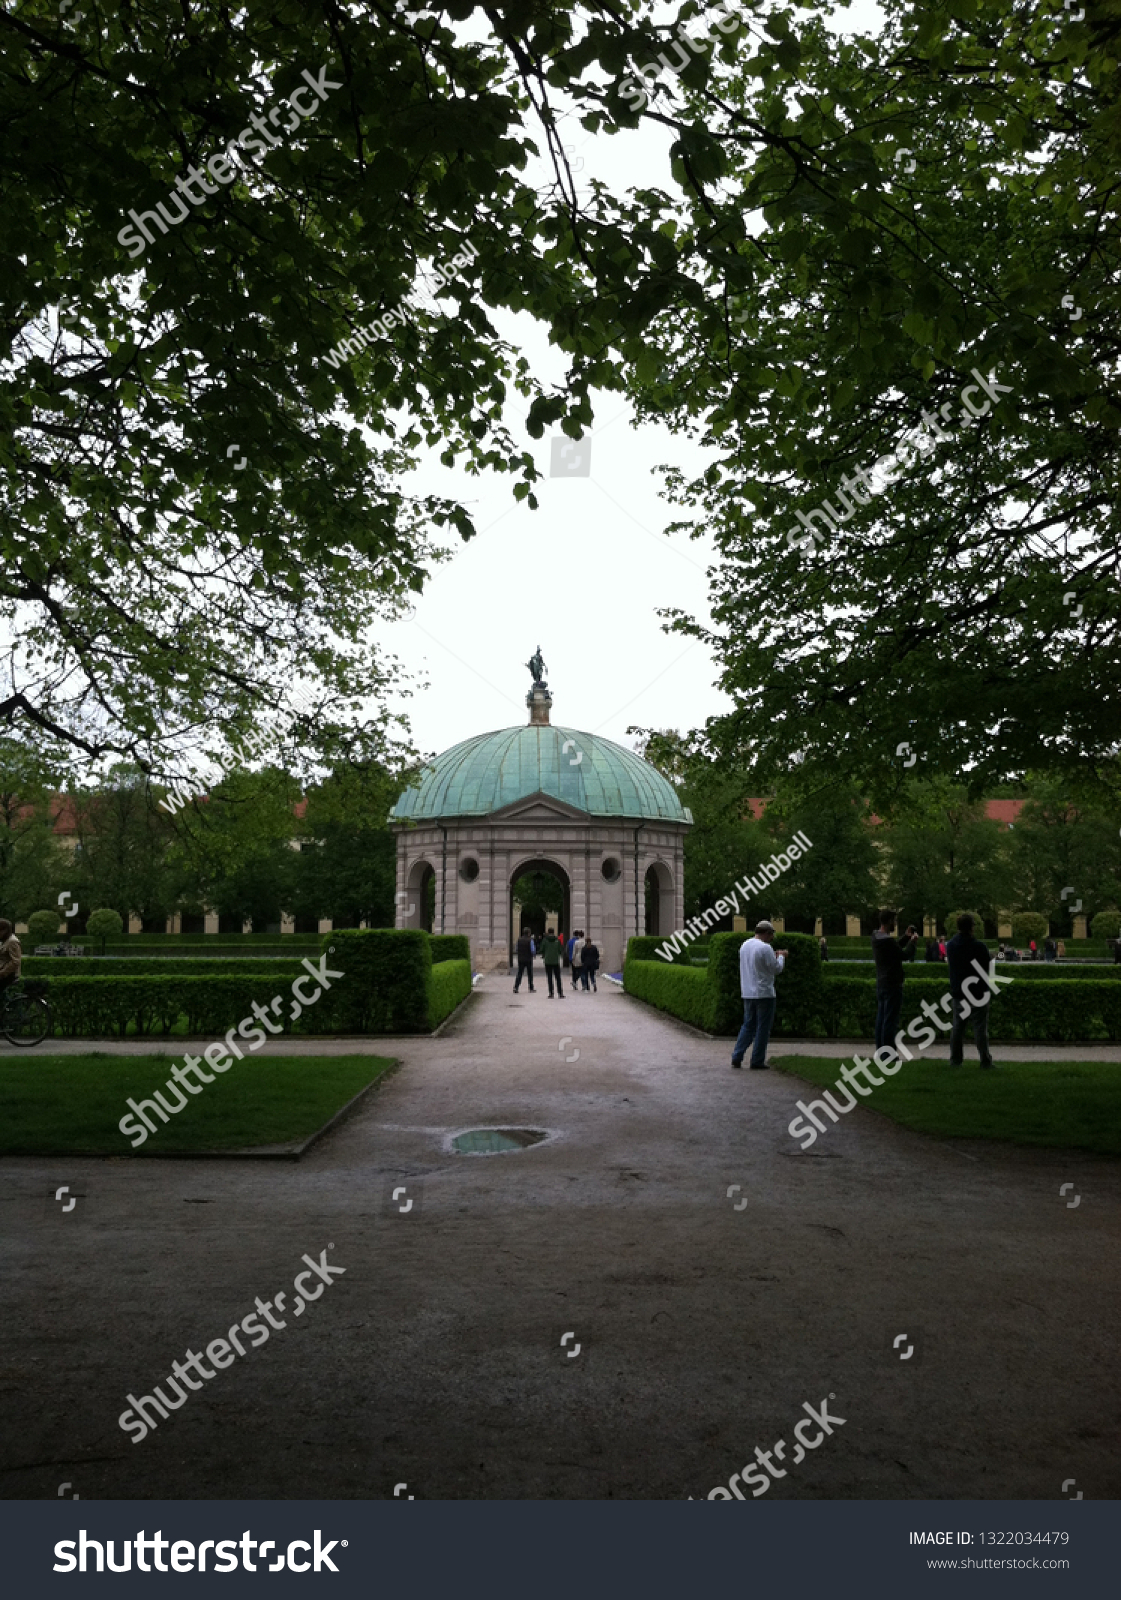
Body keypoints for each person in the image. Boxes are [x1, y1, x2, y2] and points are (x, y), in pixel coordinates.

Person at [731, 920, 788, 1070]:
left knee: (747, 1025)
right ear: (767, 933)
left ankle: (737, 1056)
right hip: (764, 992)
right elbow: (776, 969)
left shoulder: (745, 945)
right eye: (771, 935)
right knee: (763, 1028)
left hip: (748, 992)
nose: (772, 938)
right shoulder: (765, 948)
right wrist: (781, 956)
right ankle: (757, 1060)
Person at [946, 912, 995, 1068]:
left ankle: (955, 1060)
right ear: (972, 928)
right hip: (978, 992)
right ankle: (985, 1060)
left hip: (959, 992)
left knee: (957, 1028)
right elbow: (986, 968)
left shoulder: (951, 945)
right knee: (980, 1029)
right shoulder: (979, 946)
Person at [870, 911, 918, 1051]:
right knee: (890, 1021)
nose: (895, 924)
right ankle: (888, 1054)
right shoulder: (888, 941)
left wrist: (905, 938)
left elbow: (894, 950)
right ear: (889, 921)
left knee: (881, 1019)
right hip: (893, 984)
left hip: (882, 982)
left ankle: (881, 1051)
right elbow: (904, 955)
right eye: (894, 921)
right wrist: (913, 943)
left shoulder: (876, 937)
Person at [0, 918, 21, 997]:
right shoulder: (5, 940)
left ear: (5, 930)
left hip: (9, 975)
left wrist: (2, 973)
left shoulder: (12, 942)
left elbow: (15, 962)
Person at [541, 929, 564, 997]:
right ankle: (560, 993)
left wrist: (544, 954)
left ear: (548, 932)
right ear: (554, 932)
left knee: (549, 977)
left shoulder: (545, 940)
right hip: (555, 961)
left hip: (548, 961)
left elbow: (542, 949)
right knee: (558, 977)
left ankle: (551, 993)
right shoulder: (557, 940)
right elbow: (560, 950)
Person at [513, 927, 535, 994]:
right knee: (530, 974)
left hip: (521, 959)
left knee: (519, 973)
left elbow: (516, 949)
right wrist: (533, 955)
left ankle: (516, 987)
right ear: (529, 933)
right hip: (528, 959)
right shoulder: (530, 940)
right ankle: (531, 988)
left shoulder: (519, 940)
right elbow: (532, 950)